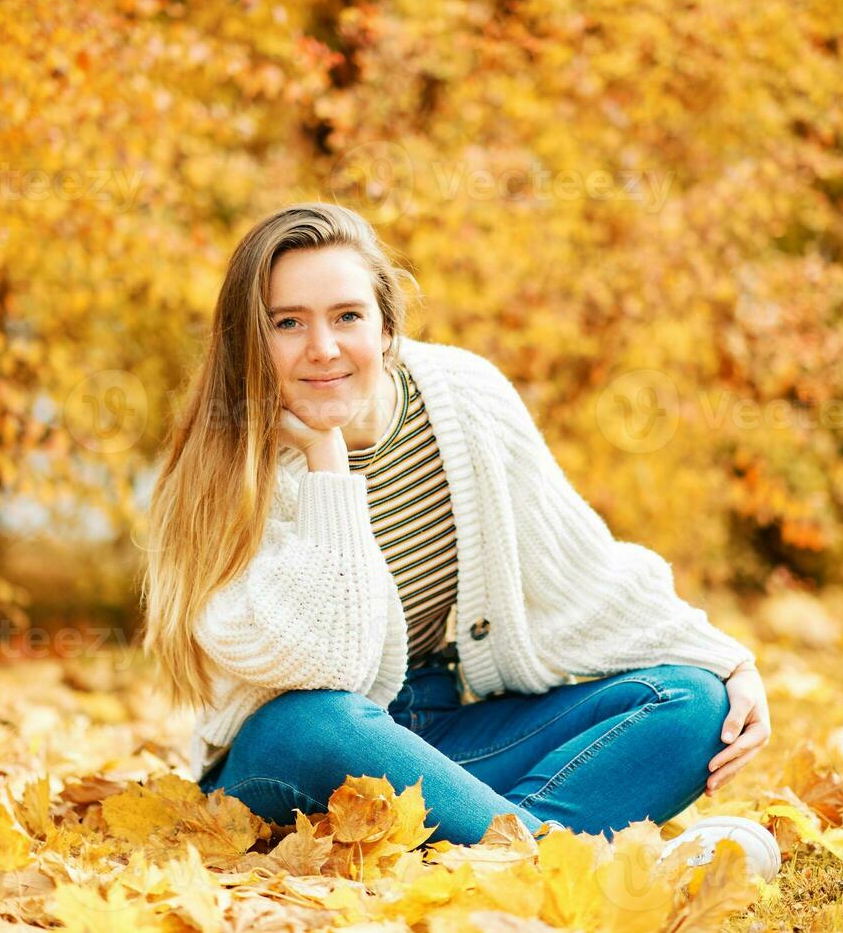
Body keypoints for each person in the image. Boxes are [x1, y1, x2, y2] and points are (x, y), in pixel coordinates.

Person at [139, 202, 774, 864]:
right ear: (251, 340)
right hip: (295, 761)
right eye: (287, 323)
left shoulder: (462, 397)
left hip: (448, 736)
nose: (322, 347)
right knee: (312, 719)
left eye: (346, 316)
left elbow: (583, 567)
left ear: (385, 326)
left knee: (691, 701)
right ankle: (560, 864)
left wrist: (728, 659)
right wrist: (327, 465)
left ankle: (490, 855)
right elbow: (325, 668)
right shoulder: (227, 466)